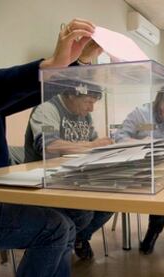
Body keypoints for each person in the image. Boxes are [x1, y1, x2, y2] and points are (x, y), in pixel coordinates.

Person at [0, 16, 98, 276]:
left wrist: (79, 62)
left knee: (70, 223)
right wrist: (51, 64)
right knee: (55, 228)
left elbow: (26, 90)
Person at [24, 79, 113, 260]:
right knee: (83, 212)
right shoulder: (47, 109)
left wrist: (106, 147)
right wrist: (91, 145)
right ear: (72, 94)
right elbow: (49, 146)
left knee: (112, 202)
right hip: (47, 179)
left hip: (77, 177)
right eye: (88, 102)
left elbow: (93, 144)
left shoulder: (84, 116)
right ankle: (63, 240)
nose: (91, 109)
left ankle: (77, 237)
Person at [114, 84, 164, 255]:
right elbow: (119, 137)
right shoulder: (142, 113)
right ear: (159, 99)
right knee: (163, 182)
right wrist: (141, 143)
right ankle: (156, 228)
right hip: (144, 166)